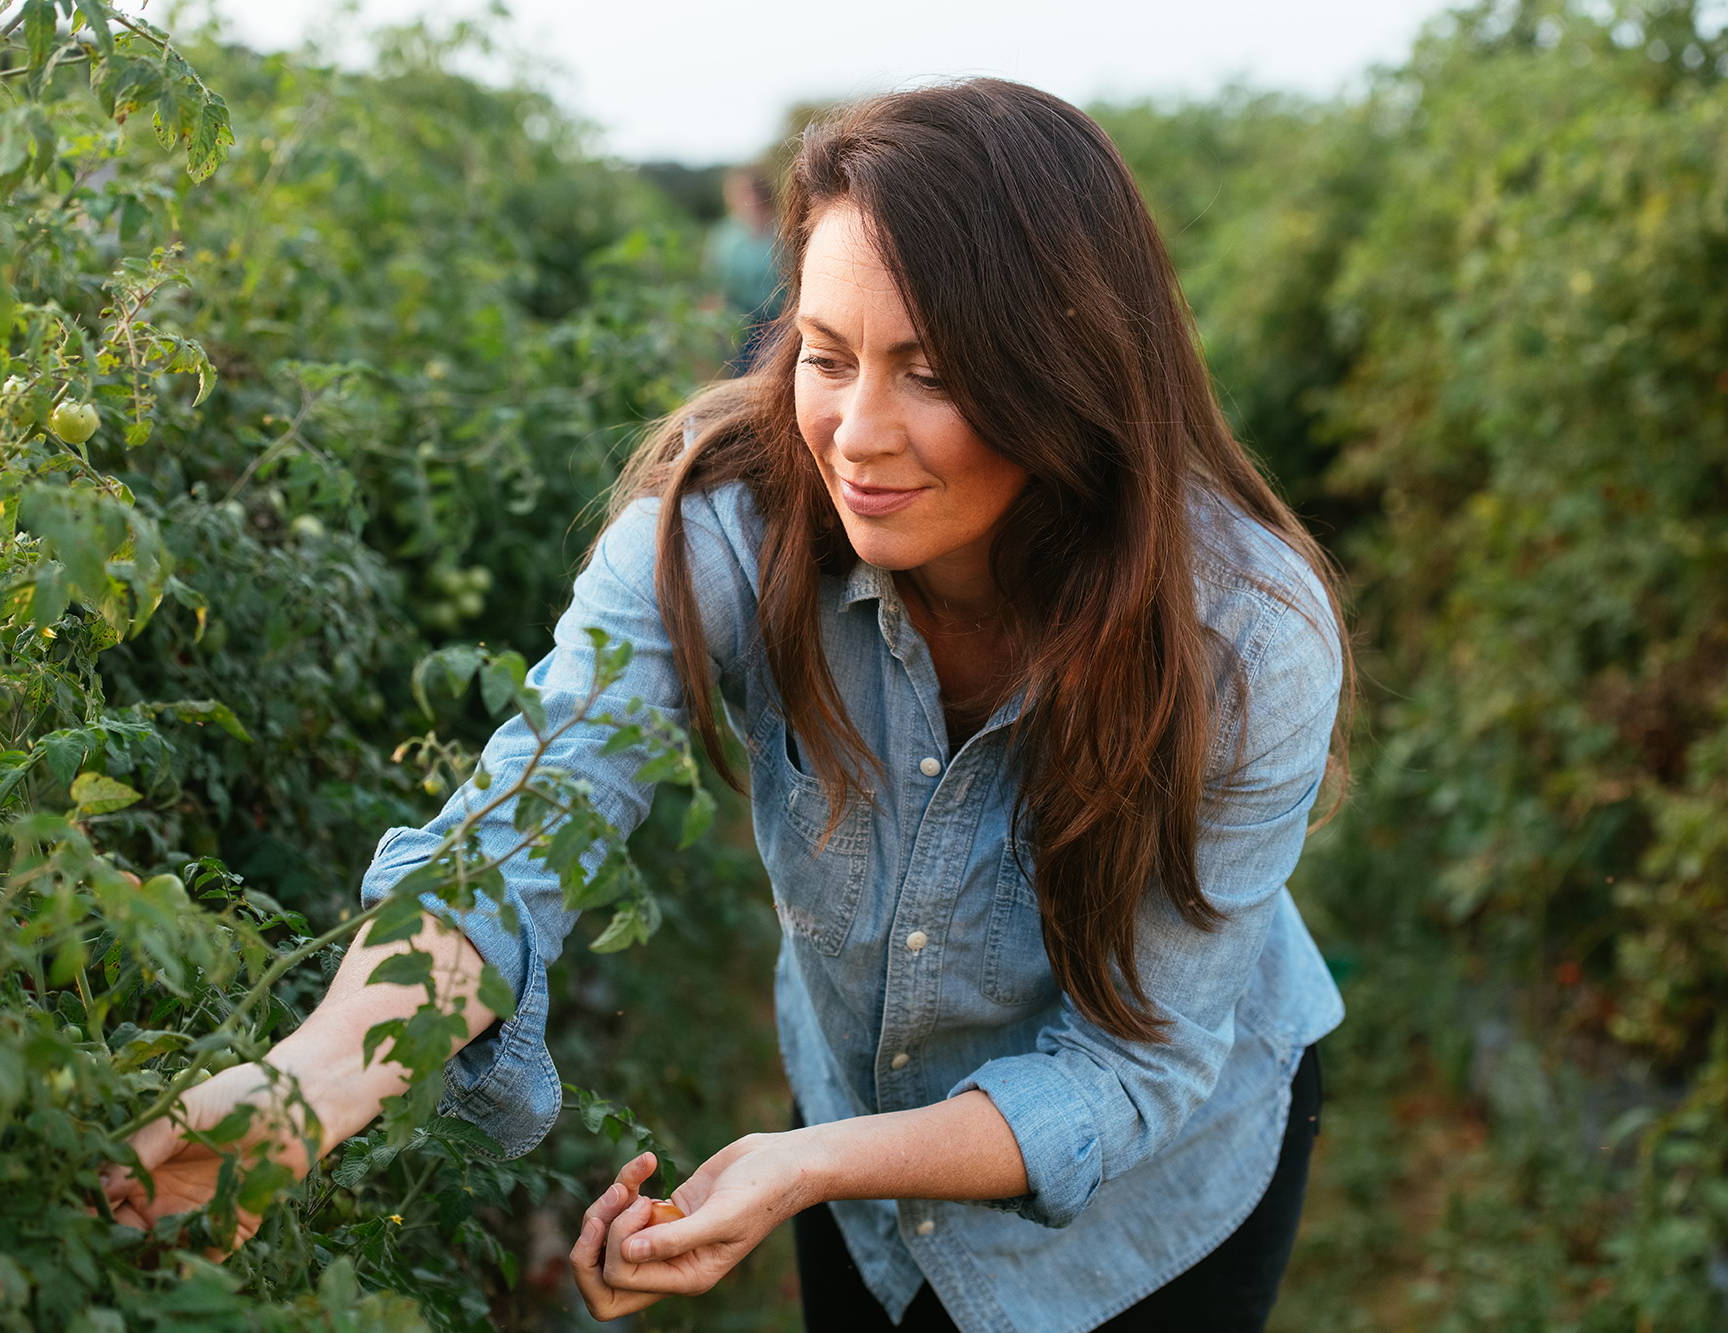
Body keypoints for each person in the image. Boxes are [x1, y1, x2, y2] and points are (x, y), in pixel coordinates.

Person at [102, 77, 1355, 1333]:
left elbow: (1136, 1065)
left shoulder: (1241, 640)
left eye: (929, 372)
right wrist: (304, 1087)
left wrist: (808, 1162)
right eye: (825, 355)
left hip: (1151, 1207)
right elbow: (522, 827)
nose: (854, 434)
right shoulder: (723, 534)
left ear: (1062, 373)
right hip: (860, 1162)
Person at [704, 165, 784, 374]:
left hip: (779, 323)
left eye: (752, 190)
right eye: (740, 192)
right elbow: (714, 284)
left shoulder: (785, 232)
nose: (749, 198)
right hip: (740, 326)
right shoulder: (724, 236)